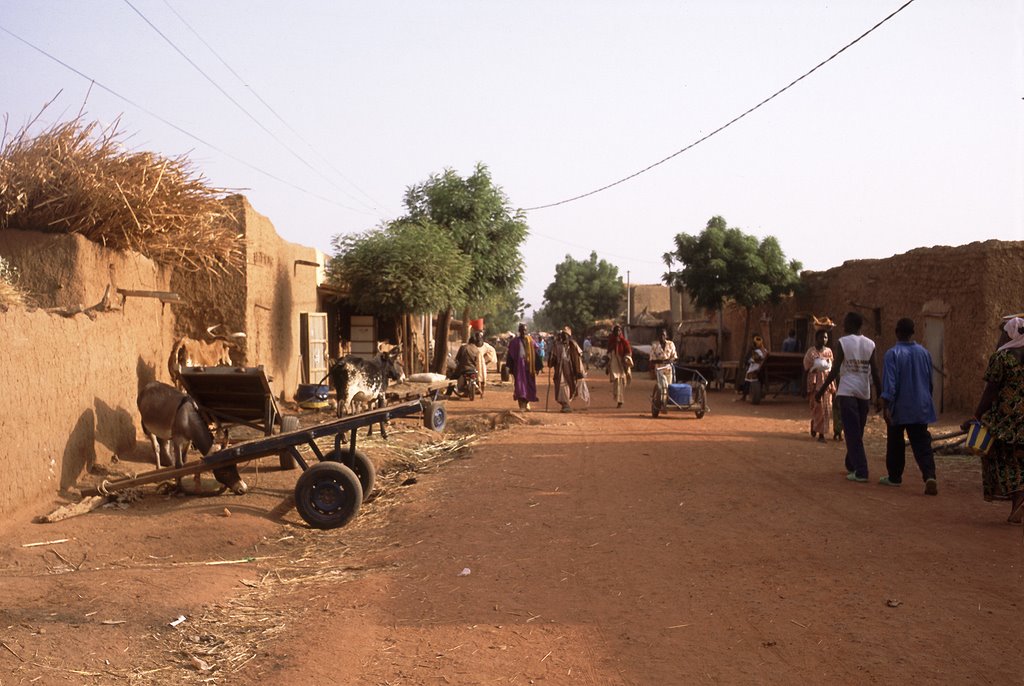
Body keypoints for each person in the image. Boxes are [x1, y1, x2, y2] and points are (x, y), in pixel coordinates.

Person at [961, 315, 1024, 523]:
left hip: (1006, 421)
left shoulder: (1002, 358)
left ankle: (1019, 497)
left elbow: (991, 391)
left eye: (1004, 334)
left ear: (1011, 334)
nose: (1001, 339)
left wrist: (976, 415)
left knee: (1002, 459)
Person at [815, 311, 882, 483]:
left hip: (847, 392)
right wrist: (880, 396)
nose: (842, 326)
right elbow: (874, 371)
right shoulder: (870, 344)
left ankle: (862, 471)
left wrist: (821, 390)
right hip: (863, 393)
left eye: (844, 323)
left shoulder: (843, 342)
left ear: (851, 324)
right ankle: (851, 463)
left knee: (852, 433)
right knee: (857, 431)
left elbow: (835, 370)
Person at [878, 318, 938, 494]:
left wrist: (886, 405)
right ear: (913, 333)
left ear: (897, 332)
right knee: (922, 443)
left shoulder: (892, 354)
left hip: (900, 407)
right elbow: (929, 381)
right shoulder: (924, 353)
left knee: (895, 442)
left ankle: (895, 477)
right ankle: (929, 475)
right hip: (920, 405)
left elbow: (890, 383)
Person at [803, 329, 835, 442]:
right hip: (815, 384)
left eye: (826, 337)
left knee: (826, 409)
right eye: (821, 337)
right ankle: (816, 425)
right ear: (816, 339)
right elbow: (806, 369)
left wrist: (833, 385)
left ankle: (821, 434)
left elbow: (832, 369)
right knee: (817, 408)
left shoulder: (829, 352)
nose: (824, 339)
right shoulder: (811, 353)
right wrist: (804, 388)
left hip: (827, 384)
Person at [549, 327, 586, 413]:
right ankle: (565, 404)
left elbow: (578, 358)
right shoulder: (557, 346)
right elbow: (552, 358)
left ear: (569, 336)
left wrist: (579, 370)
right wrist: (551, 359)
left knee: (569, 385)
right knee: (561, 386)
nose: (564, 337)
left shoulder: (573, 345)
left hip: (570, 369)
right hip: (560, 370)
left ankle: (566, 404)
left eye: (566, 335)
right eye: (562, 335)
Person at [505, 323, 540, 411]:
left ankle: (527, 403)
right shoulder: (514, 342)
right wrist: (509, 367)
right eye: (522, 330)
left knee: (529, 385)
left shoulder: (530, 341)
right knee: (520, 386)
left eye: (525, 330)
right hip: (519, 368)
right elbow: (510, 355)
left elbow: (535, 354)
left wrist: (538, 366)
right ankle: (522, 405)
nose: (523, 332)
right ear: (519, 331)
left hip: (529, 367)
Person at [650, 327, 678, 404]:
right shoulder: (655, 345)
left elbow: (674, 357)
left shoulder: (671, 344)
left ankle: (667, 401)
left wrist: (669, 361)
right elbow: (652, 359)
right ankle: (662, 402)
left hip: (669, 368)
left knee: (669, 386)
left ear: (666, 336)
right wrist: (661, 361)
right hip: (659, 369)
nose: (662, 337)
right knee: (663, 385)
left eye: (663, 335)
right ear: (658, 336)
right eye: (660, 335)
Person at [607, 324, 632, 408]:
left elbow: (628, 352)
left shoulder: (624, 341)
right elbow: (609, 353)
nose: (618, 332)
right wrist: (607, 366)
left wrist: (626, 359)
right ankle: (619, 400)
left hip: (622, 364)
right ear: (614, 332)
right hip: (614, 364)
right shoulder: (611, 341)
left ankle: (620, 399)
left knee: (621, 382)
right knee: (617, 381)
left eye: (619, 330)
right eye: (616, 331)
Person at [738, 335, 768, 402]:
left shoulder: (754, 352)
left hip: (755, 370)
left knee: (747, 376)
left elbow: (750, 360)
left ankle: (744, 396)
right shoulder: (765, 351)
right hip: (764, 370)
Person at [451, 332, 481, 397]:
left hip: (463, 369)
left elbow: (457, 358)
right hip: (473, 369)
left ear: (469, 340)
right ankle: (477, 388)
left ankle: (448, 393)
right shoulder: (477, 350)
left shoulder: (463, 347)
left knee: (452, 378)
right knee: (477, 378)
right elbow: (477, 361)